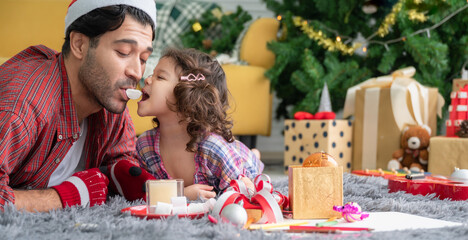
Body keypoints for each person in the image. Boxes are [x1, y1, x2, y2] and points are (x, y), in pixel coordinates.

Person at [0, 0, 157, 212]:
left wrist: (127, 175)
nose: (137, 72)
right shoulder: (22, 106)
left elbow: (119, 157)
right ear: (79, 45)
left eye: (144, 58)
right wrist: (65, 197)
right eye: (123, 52)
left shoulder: (108, 98)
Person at [135, 48, 264, 200]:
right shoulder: (144, 146)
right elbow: (145, 194)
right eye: (151, 74)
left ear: (189, 95)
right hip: (227, 153)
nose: (147, 79)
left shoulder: (213, 149)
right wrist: (182, 195)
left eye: (160, 77)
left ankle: (253, 155)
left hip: (238, 160)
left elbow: (246, 192)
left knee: (249, 163)